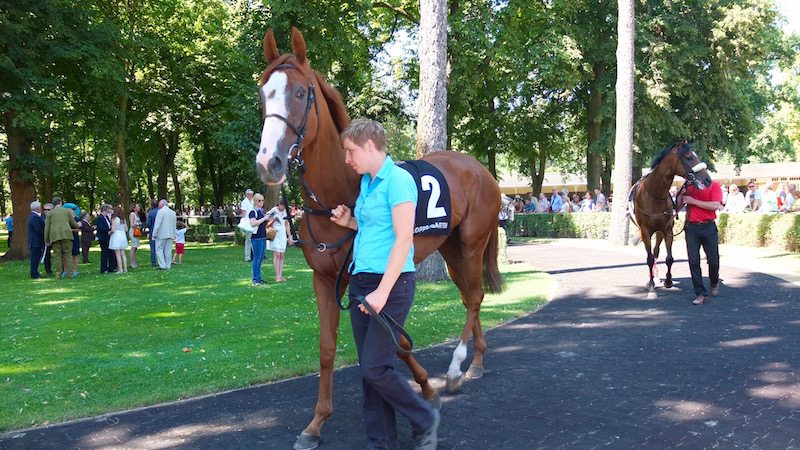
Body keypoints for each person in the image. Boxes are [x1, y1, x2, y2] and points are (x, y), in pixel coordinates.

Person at [330, 119, 439, 450]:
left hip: (390, 285)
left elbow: (404, 238)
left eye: (350, 152)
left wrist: (381, 292)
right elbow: (375, 229)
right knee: (370, 370)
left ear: (369, 146)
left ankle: (424, 417)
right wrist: (349, 221)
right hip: (362, 281)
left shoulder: (399, 180)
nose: (347, 160)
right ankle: (382, 443)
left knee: (376, 368)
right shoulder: (367, 183)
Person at [679, 180, 723, 305]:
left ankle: (714, 281)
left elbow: (715, 205)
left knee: (713, 260)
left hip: (708, 226)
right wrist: (681, 195)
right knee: (693, 261)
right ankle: (700, 293)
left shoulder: (714, 185)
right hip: (691, 228)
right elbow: (678, 206)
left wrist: (693, 201)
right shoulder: (689, 186)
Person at [44, 196, 79, 279]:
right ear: (60, 202)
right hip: (67, 235)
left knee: (57, 256)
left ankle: (58, 274)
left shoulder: (50, 213)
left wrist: (46, 239)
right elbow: (73, 223)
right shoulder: (67, 211)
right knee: (68, 255)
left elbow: (47, 227)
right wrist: (78, 225)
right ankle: (70, 274)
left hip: (55, 236)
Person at [266, 202, 294, 282]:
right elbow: (267, 218)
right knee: (277, 254)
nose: (283, 207)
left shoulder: (286, 212)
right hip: (275, 233)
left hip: (282, 234)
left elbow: (286, 224)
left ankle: (280, 275)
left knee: (282, 255)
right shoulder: (274, 210)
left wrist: (289, 236)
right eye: (282, 205)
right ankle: (277, 275)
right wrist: (273, 220)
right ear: (279, 204)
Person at [248, 193, 271, 286]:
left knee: (260, 258)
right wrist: (264, 218)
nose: (261, 202)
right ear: (255, 201)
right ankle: (255, 279)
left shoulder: (261, 211)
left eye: (262, 200)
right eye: (259, 200)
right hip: (256, 238)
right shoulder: (253, 212)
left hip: (262, 237)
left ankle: (258, 278)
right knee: (256, 259)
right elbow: (253, 223)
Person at [152, 199, 177, 270]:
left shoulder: (160, 212)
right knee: (168, 250)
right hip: (170, 234)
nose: (158, 205)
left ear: (162, 204)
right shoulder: (173, 212)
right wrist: (174, 234)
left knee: (159, 249)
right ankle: (168, 265)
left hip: (161, 234)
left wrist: (154, 234)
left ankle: (162, 265)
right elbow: (174, 224)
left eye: (159, 204)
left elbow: (157, 224)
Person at [96, 204, 117, 274]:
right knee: (105, 252)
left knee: (110, 252)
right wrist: (109, 230)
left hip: (108, 237)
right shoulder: (100, 218)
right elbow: (101, 228)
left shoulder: (107, 217)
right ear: (105, 209)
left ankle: (112, 267)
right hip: (103, 237)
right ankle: (104, 268)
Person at [27, 201, 45, 279]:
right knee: (35, 258)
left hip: (36, 241)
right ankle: (34, 273)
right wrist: (44, 236)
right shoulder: (34, 217)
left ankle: (35, 272)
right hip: (35, 242)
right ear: (37, 208)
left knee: (36, 258)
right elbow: (38, 229)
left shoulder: (34, 216)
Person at [109, 205, 129, 274]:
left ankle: (120, 269)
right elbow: (126, 229)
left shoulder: (114, 219)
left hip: (116, 236)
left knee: (117, 254)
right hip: (122, 235)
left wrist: (109, 232)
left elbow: (113, 229)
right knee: (123, 253)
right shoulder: (123, 219)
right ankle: (125, 268)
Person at [241, 189, 255, 262]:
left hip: (253, 222)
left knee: (252, 239)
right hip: (248, 223)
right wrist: (243, 224)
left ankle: (253, 255)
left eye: (252, 194)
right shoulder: (244, 202)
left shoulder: (252, 202)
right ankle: (247, 256)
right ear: (247, 195)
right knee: (249, 240)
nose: (251, 196)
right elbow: (244, 214)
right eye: (250, 194)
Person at [128, 203, 143, 268]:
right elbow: (132, 224)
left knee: (135, 247)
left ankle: (134, 262)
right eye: (137, 206)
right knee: (133, 247)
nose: (139, 207)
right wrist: (138, 225)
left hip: (137, 232)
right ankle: (131, 263)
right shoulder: (132, 214)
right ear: (134, 208)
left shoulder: (137, 215)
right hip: (133, 232)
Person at [145, 199, 159, 268]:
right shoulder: (160, 211)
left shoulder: (150, 213)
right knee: (161, 247)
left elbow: (148, 223)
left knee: (153, 248)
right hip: (161, 232)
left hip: (152, 232)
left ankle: (154, 263)